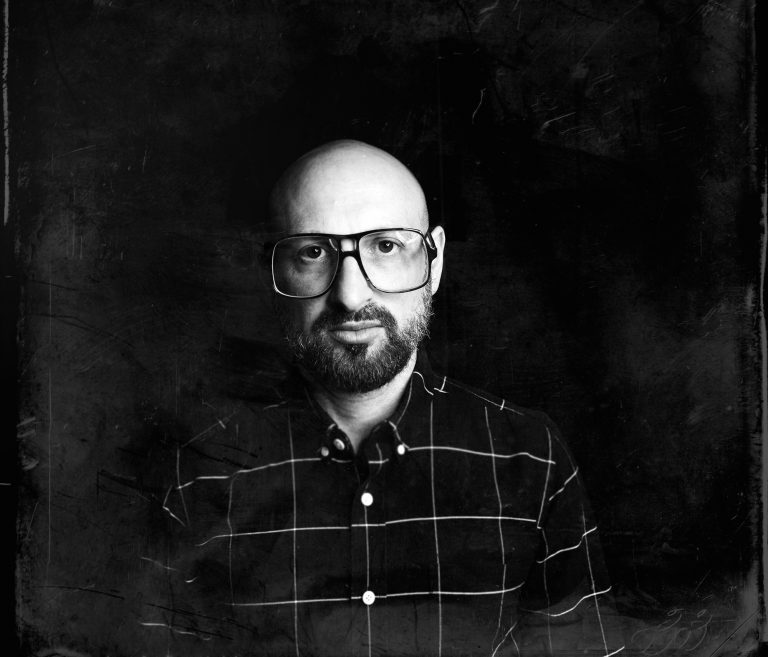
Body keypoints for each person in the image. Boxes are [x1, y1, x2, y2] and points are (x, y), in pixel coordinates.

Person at [137, 140, 624, 656]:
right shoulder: (194, 472)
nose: (350, 295)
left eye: (385, 247)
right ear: (273, 270)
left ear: (435, 262)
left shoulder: (530, 456)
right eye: (313, 252)